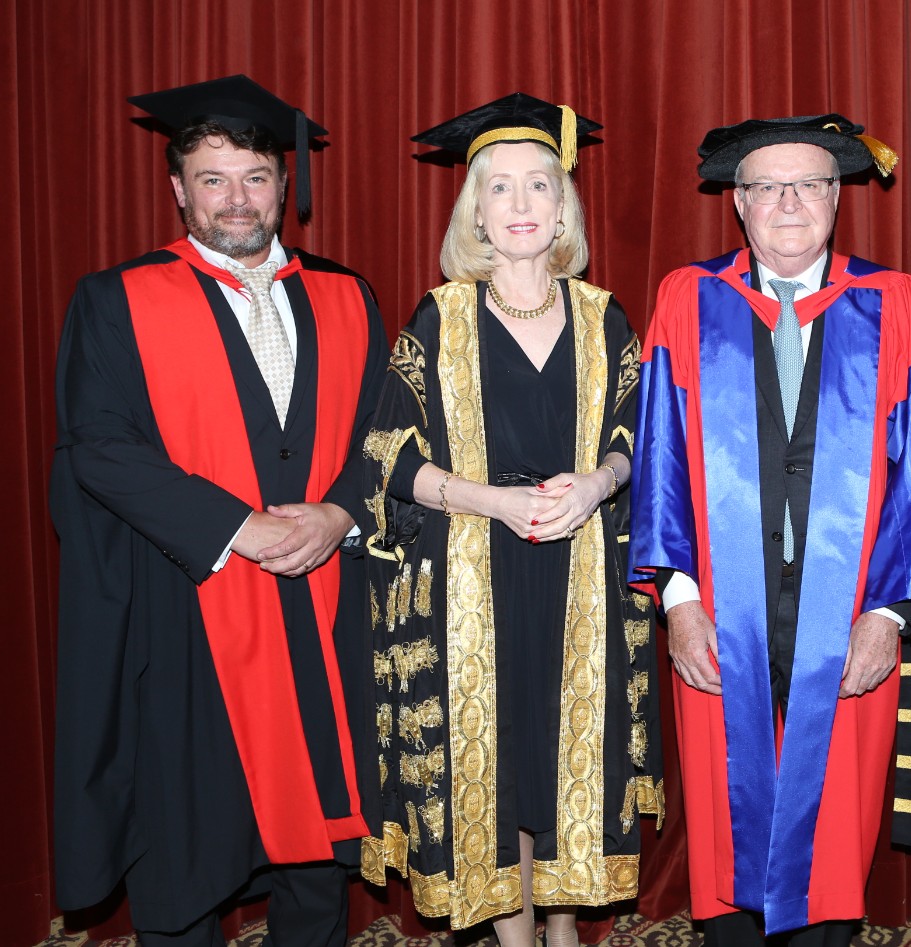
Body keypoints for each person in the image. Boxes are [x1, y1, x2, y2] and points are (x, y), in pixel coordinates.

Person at [50, 75, 387, 946]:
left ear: (284, 185)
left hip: (322, 605)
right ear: (177, 189)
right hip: (190, 613)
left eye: (255, 177)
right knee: (187, 851)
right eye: (212, 178)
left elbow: (390, 438)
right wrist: (241, 526)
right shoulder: (118, 299)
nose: (236, 199)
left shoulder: (347, 296)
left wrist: (339, 516)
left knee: (318, 855)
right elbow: (100, 447)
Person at [629, 113, 911, 946]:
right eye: (768, 186)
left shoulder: (897, 304)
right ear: (738, 204)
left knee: (832, 836)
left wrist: (890, 616)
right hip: (717, 610)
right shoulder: (688, 296)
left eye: (811, 183)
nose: (790, 201)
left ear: (838, 197)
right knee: (725, 826)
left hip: (851, 611)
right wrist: (676, 602)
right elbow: (658, 461)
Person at [358, 93, 663, 947]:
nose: (524, 205)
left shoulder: (607, 318)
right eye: (502, 189)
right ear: (477, 214)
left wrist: (600, 482)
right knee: (494, 770)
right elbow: (389, 460)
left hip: (580, 581)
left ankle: (561, 929)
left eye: (541, 186)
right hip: (473, 583)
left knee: (556, 766)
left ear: (564, 206)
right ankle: (516, 937)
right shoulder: (437, 319)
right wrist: (493, 498)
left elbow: (641, 441)